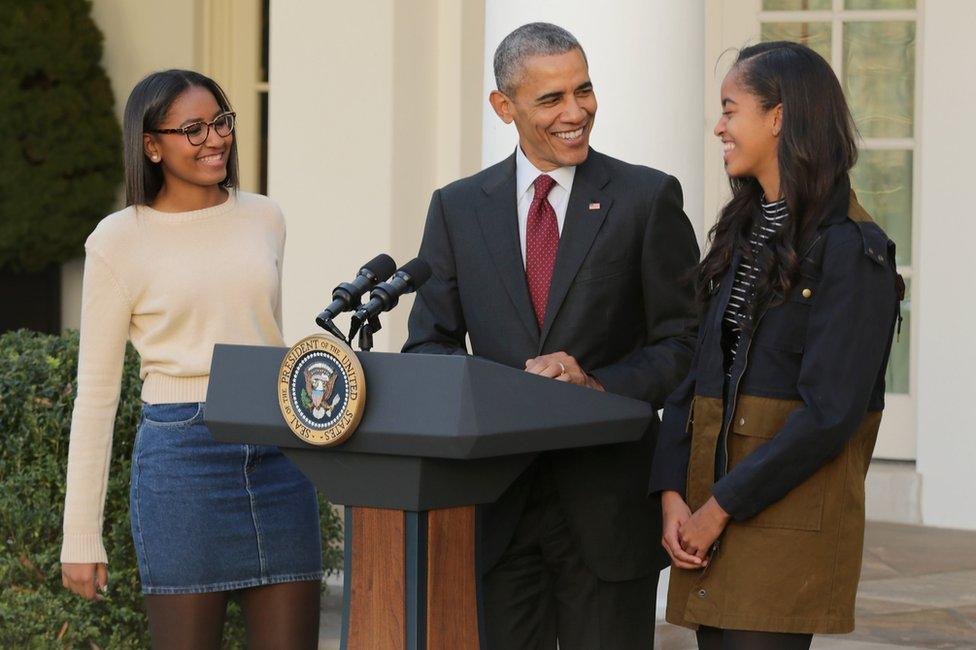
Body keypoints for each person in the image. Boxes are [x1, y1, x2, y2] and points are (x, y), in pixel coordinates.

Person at [403, 22, 699, 649]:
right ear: (503, 107)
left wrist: (596, 384)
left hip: (608, 509)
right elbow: (429, 345)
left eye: (583, 90)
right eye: (551, 99)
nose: (576, 112)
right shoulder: (457, 207)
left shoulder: (647, 198)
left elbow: (685, 345)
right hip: (496, 506)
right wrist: (497, 398)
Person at [649, 41, 901, 650]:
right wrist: (672, 492)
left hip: (781, 518)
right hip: (715, 506)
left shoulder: (853, 250)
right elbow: (697, 370)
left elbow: (831, 412)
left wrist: (718, 508)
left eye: (731, 109)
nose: (719, 127)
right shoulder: (744, 231)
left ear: (779, 117)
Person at [59, 70, 323, 649]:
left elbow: (262, 333)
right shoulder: (117, 240)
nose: (215, 139)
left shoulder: (264, 217)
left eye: (221, 122)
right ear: (151, 145)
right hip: (183, 463)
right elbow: (97, 395)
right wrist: (80, 535)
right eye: (193, 129)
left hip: (280, 451)